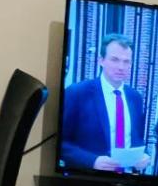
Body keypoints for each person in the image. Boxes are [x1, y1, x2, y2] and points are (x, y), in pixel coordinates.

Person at [61, 34, 150, 172]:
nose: (121, 67)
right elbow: (60, 142)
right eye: (115, 60)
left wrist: (145, 156)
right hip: (89, 178)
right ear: (101, 60)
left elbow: (136, 139)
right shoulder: (77, 93)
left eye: (126, 62)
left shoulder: (135, 98)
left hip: (126, 179)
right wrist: (92, 161)